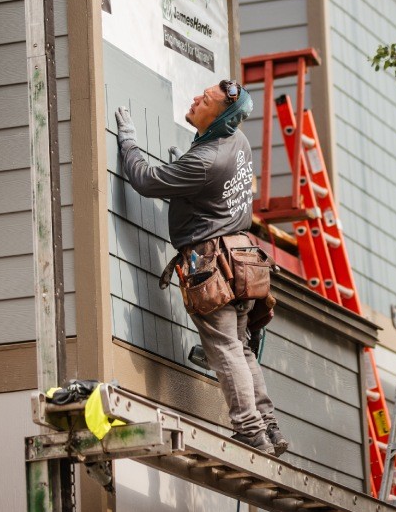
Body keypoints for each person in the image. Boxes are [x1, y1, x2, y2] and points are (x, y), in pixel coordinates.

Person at [114, 79, 289, 456]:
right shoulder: (236, 143)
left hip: (214, 267)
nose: (196, 98)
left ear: (221, 115)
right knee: (240, 348)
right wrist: (189, 174)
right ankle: (269, 427)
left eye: (205, 99)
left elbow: (146, 181)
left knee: (225, 347)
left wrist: (128, 141)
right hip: (243, 261)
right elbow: (213, 186)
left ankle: (250, 431)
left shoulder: (205, 161)